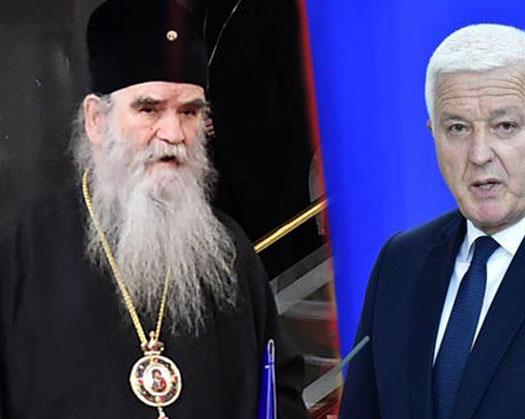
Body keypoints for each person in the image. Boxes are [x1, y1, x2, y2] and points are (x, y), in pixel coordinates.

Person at [0, 0, 307, 418]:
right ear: (96, 120)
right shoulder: (24, 251)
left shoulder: (229, 251)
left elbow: (280, 393)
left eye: (190, 112)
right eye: (149, 109)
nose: (174, 133)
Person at [339, 23, 525, 419]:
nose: (479, 154)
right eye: (457, 128)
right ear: (432, 134)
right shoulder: (400, 262)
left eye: (505, 126)